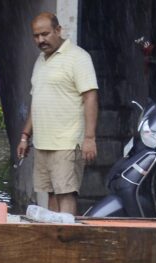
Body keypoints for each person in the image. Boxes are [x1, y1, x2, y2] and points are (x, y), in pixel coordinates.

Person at [16, 12, 98, 215]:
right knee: (50, 194)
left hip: (67, 142)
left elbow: (91, 98)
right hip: (43, 142)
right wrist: (25, 137)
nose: (40, 40)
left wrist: (89, 138)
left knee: (66, 194)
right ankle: (55, 241)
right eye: (36, 36)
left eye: (45, 34)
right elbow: (37, 101)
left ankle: (67, 239)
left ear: (58, 30)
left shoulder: (78, 58)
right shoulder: (40, 61)